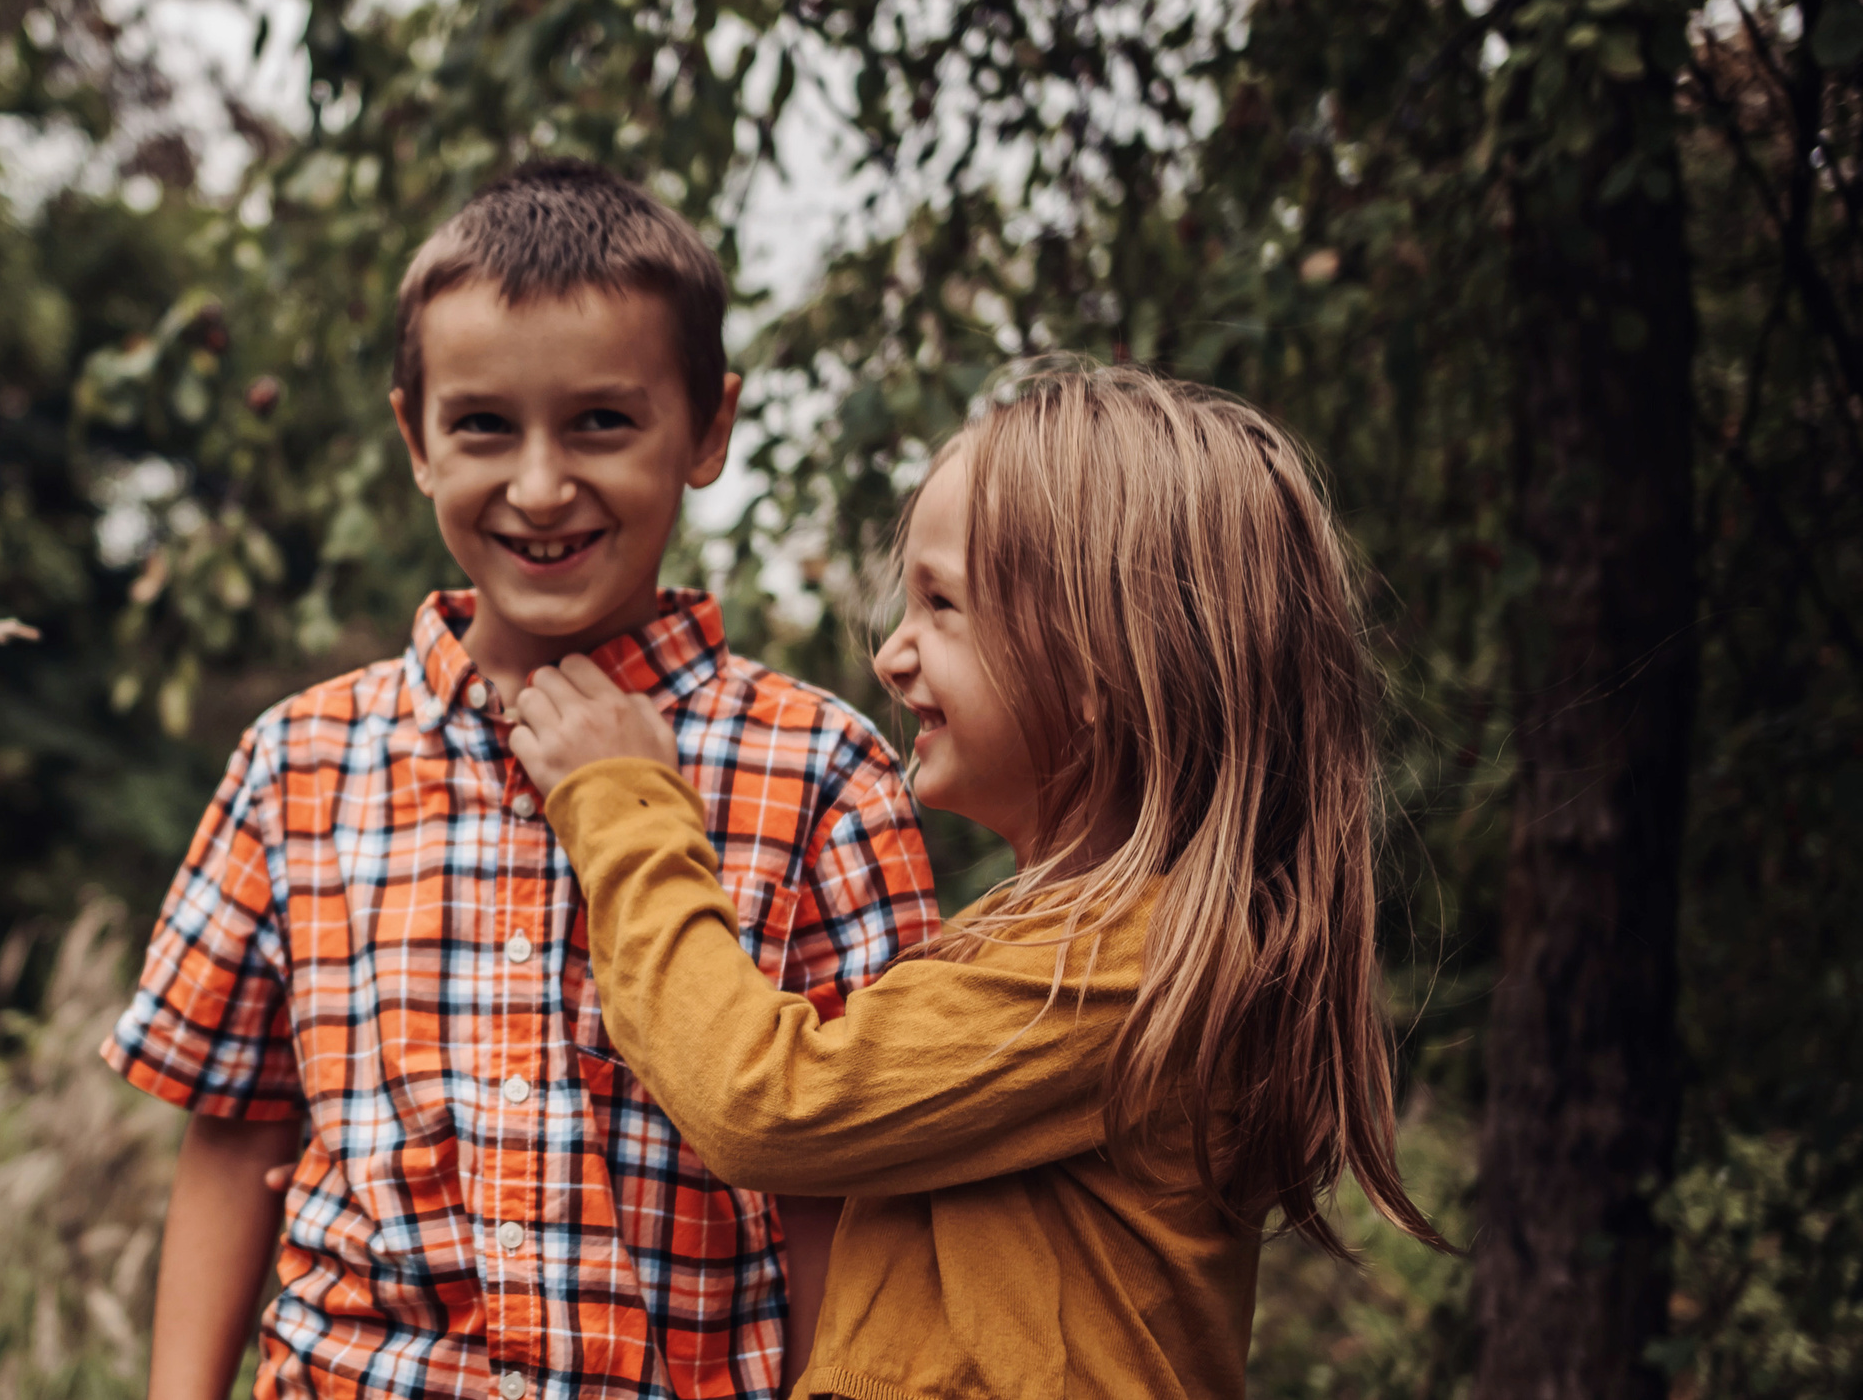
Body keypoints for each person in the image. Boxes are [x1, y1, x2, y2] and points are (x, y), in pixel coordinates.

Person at [103, 159, 942, 1400]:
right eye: (484, 425)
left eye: (602, 421)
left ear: (708, 427)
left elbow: (852, 1192)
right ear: (415, 439)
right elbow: (234, 1134)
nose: (540, 486)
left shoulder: (821, 775)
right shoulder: (299, 765)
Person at [508, 363, 1454, 1400]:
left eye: (941, 604)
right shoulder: (1064, 939)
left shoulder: (1114, 963)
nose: (891, 655)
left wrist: (625, 810)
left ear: (1096, 663)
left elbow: (762, 1100)